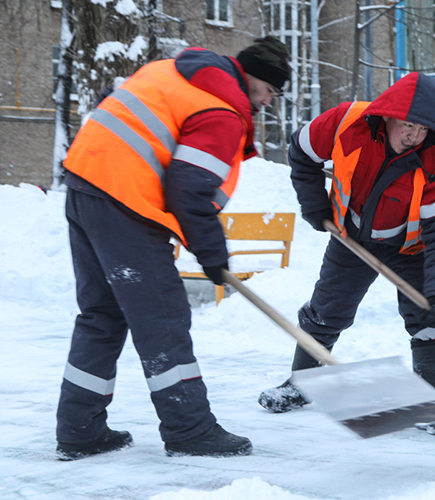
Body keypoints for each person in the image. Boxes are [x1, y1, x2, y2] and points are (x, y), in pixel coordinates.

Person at [55, 36, 291, 460]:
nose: (269, 102)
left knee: (102, 314)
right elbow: (189, 190)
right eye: (271, 91)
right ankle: (191, 431)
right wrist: (214, 255)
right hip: (125, 203)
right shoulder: (222, 109)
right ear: (252, 77)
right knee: (162, 317)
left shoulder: (169, 71)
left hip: (83, 184)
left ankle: (80, 429)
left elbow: (116, 107)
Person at [258, 72, 435, 436]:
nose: (414, 137)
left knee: (430, 318)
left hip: (409, 246)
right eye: (409, 125)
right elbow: (300, 152)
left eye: (423, 131)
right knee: (326, 309)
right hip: (351, 237)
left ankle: (430, 402)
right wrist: (315, 207)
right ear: (389, 113)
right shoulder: (346, 122)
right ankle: (301, 384)